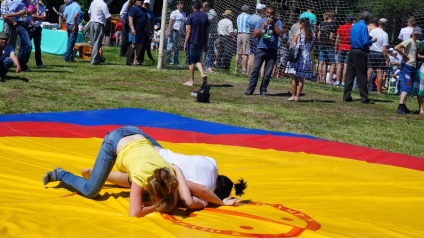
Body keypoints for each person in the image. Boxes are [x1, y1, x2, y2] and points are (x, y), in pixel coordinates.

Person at [81, 131, 247, 209]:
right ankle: (97, 175)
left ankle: (97, 174)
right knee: (145, 181)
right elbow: (201, 191)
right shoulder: (205, 189)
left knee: (141, 179)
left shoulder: (212, 163)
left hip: (151, 145)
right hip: (152, 160)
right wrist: (220, 202)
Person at [42, 126, 181, 217]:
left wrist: (163, 200)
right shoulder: (141, 177)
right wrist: (156, 206)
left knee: (137, 179)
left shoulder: (168, 172)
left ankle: (96, 173)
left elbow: (172, 194)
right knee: (91, 190)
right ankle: (61, 173)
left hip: (138, 133)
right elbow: (134, 213)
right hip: (114, 140)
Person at [244, 6, 283, 96]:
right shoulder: (261, 21)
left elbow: (280, 33)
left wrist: (273, 25)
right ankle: (250, 89)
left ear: (274, 14)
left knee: (268, 72)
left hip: (272, 50)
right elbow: (254, 35)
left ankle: (263, 89)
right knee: (255, 70)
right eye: (268, 13)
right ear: (266, 13)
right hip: (261, 48)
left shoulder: (278, 22)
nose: (269, 15)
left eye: (271, 13)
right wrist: (263, 27)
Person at [343, 11, 376, 104]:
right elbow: (365, 42)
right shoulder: (364, 27)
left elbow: (355, 37)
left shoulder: (355, 26)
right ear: (367, 19)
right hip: (360, 52)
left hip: (352, 50)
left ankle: (346, 96)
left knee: (350, 74)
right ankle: (364, 98)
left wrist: (367, 38)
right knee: (361, 75)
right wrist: (372, 40)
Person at [285, 18, 315, 101]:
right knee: (301, 78)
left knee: (294, 77)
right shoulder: (312, 35)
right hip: (306, 56)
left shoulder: (298, 33)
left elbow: (293, 43)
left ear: (302, 24)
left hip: (297, 55)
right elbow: (311, 47)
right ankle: (298, 96)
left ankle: (293, 95)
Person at [394, 27, 422, 115]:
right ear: (413, 33)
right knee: (406, 87)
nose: (417, 35)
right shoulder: (409, 41)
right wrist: (404, 55)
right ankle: (400, 106)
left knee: (408, 87)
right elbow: (397, 47)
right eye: (416, 34)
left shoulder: (416, 42)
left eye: (419, 34)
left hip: (413, 66)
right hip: (407, 66)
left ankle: (404, 106)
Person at [183, 0, 209, 87]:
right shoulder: (205, 17)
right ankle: (202, 74)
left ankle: (191, 81)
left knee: (191, 61)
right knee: (197, 59)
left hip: (192, 41)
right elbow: (207, 32)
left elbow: (189, 32)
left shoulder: (191, 17)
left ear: (193, 7)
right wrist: (206, 43)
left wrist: (185, 42)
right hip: (201, 42)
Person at [88, 0, 121, 65]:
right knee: (97, 42)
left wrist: (92, 18)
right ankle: (94, 60)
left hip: (92, 22)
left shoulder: (93, 1)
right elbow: (108, 17)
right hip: (99, 23)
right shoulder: (103, 4)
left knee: (94, 42)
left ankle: (98, 58)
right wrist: (118, 19)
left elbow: (89, 12)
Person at [4, 0, 33, 71]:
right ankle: (22, 64)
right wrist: (19, 13)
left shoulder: (26, 3)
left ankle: (20, 64)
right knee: (28, 45)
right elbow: (9, 14)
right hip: (19, 25)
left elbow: (23, 15)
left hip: (26, 24)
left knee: (23, 46)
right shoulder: (17, 2)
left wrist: (26, 13)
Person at [367, 18, 389, 94]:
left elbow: (368, 40)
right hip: (380, 53)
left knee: (370, 70)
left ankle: (365, 88)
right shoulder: (385, 34)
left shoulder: (372, 31)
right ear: (385, 24)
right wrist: (386, 58)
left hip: (372, 51)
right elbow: (384, 49)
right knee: (380, 72)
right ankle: (378, 90)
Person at [126, 0, 148, 66]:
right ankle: (128, 60)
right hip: (135, 30)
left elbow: (147, 20)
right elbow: (130, 19)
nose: (140, 2)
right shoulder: (133, 9)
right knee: (133, 45)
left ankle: (136, 60)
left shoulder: (144, 10)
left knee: (140, 45)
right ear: (136, 1)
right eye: (139, 0)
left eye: (142, 0)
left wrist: (149, 29)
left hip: (142, 31)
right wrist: (132, 29)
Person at [317, 12, 336, 84]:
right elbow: (331, 36)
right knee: (333, 63)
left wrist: (320, 42)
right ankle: (330, 80)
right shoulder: (333, 25)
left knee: (321, 62)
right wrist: (333, 43)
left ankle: (321, 78)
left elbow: (318, 35)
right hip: (329, 46)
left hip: (322, 45)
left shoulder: (322, 24)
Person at [247, 3, 266, 76]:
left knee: (251, 54)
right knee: (256, 55)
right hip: (256, 37)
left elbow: (248, 27)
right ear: (261, 11)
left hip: (250, 36)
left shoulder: (251, 17)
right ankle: (256, 72)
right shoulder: (260, 19)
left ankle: (248, 71)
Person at [334, 14, 353, 86]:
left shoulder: (341, 27)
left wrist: (336, 48)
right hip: (349, 47)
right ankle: (343, 82)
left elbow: (337, 39)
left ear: (346, 20)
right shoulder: (352, 28)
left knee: (339, 65)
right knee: (346, 65)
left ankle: (337, 81)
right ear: (352, 21)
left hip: (341, 47)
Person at [166, 1, 186, 66]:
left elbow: (184, 23)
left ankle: (175, 61)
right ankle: (167, 61)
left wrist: (184, 32)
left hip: (180, 32)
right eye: (180, 5)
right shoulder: (174, 12)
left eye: (182, 5)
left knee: (177, 47)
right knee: (170, 46)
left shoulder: (184, 13)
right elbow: (170, 22)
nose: (181, 6)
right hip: (174, 31)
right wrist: (169, 31)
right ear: (177, 6)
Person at [29, 0, 46, 68]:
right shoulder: (28, 4)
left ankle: (39, 62)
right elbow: (24, 15)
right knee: (27, 46)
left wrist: (32, 16)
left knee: (38, 46)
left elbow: (44, 17)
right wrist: (39, 17)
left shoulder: (41, 6)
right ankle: (22, 62)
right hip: (29, 27)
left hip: (37, 28)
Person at [202, 1, 217, 73]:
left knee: (209, 51)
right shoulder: (207, 13)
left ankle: (208, 66)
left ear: (207, 7)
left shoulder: (212, 12)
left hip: (211, 35)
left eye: (203, 7)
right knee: (207, 50)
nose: (202, 9)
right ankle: (205, 65)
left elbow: (208, 20)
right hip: (207, 34)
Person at [235, 4, 251, 75]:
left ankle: (236, 68)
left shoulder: (238, 16)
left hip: (239, 34)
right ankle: (243, 69)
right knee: (245, 53)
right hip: (246, 34)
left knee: (238, 52)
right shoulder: (249, 16)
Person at [138, 0, 155, 65]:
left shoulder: (150, 12)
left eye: (147, 4)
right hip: (140, 30)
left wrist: (152, 31)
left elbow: (152, 22)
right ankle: (137, 59)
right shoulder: (140, 11)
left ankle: (141, 59)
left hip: (147, 31)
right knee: (139, 45)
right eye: (145, 4)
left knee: (145, 46)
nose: (146, 5)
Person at [412, 39, 424, 115]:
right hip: (423, 67)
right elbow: (417, 54)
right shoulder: (422, 43)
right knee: (421, 88)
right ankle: (421, 108)